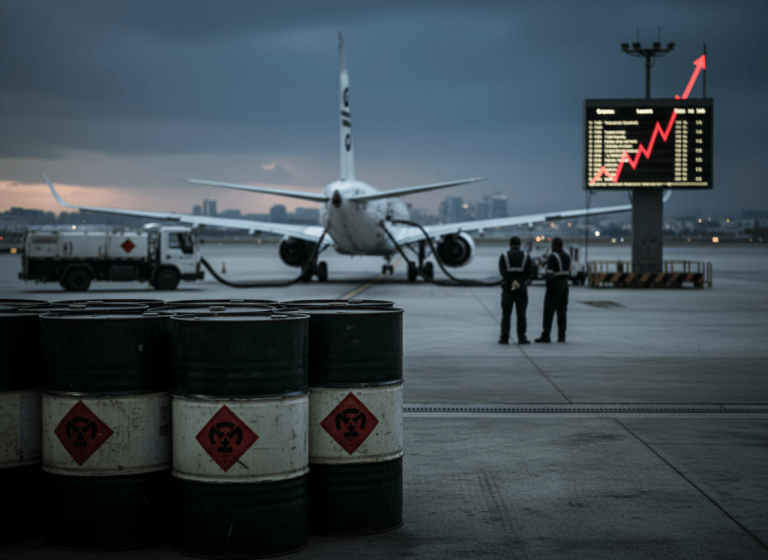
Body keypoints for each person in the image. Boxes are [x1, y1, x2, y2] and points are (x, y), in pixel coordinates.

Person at [536, 237, 571, 343]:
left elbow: (549, 273)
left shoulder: (552, 256)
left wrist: (548, 284)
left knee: (549, 311)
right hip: (565, 285)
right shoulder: (567, 256)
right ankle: (562, 336)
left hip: (555, 285)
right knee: (562, 312)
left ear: (555, 245)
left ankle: (546, 335)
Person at [498, 236, 532, 345]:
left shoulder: (504, 256)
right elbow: (529, 271)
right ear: (520, 244)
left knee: (506, 314)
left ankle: (504, 337)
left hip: (508, 288)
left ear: (510, 244)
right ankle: (521, 337)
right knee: (521, 314)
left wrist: (512, 281)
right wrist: (519, 282)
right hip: (521, 288)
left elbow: (502, 272)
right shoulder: (526, 256)